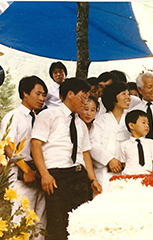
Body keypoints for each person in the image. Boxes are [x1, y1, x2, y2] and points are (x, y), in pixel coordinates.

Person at [31, 78, 102, 240]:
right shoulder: (49, 115)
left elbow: (85, 154)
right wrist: (45, 174)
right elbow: (35, 146)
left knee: (80, 224)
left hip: (79, 176)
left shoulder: (81, 123)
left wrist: (92, 180)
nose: (85, 102)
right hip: (57, 177)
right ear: (70, 94)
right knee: (58, 226)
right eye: (83, 97)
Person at [1, 76, 48, 240]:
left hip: (38, 173)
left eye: (44, 95)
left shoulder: (40, 117)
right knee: (20, 221)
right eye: (38, 94)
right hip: (21, 174)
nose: (42, 98)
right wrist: (26, 170)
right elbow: (8, 146)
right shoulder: (13, 116)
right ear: (25, 93)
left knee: (39, 222)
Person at [89, 82, 131, 189]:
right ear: (113, 97)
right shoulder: (100, 121)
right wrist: (109, 159)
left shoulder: (132, 120)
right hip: (105, 172)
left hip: (127, 171)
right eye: (123, 94)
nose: (128, 98)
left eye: (128, 94)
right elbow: (93, 145)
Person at [120, 110, 153, 175]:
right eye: (143, 123)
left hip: (148, 179)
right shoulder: (124, 145)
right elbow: (124, 163)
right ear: (131, 125)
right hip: (130, 179)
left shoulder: (151, 143)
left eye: (148, 123)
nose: (147, 126)